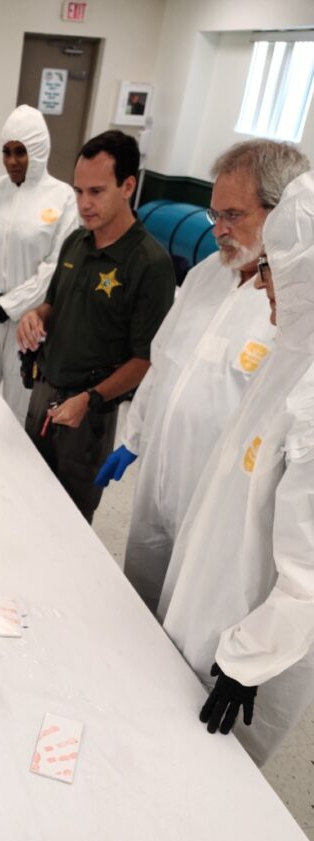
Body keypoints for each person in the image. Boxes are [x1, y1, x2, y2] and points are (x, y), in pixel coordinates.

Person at [97, 139, 309, 613]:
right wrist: (134, 437)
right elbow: (163, 360)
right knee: (141, 598)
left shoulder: (292, 308)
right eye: (215, 215)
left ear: (283, 212)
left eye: (234, 215)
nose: (220, 230)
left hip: (218, 504)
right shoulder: (204, 276)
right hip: (160, 477)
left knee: (190, 617)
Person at [158, 171, 314, 767]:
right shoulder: (291, 352)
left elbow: (306, 570)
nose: (259, 284)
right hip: (211, 598)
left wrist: (248, 659)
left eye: (273, 267)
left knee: (217, 773)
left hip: (251, 649)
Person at [18, 130, 176, 522]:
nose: (84, 204)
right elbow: (54, 304)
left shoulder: (149, 264)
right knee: (24, 498)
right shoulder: (76, 242)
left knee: (69, 518)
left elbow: (146, 360)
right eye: (78, 191)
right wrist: (34, 316)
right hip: (44, 395)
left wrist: (89, 399)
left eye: (96, 192)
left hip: (89, 412)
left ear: (127, 186)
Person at [0, 105, 78, 423]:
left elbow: (57, 264)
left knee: (19, 404)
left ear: (38, 151)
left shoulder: (62, 198)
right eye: (6, 151)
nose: (12, 161)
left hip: (29, 321)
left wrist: (11, 304)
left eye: (21, 152)